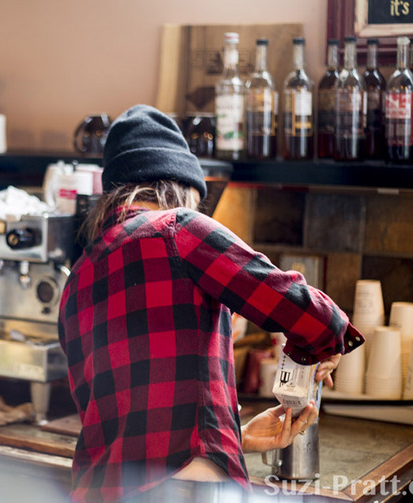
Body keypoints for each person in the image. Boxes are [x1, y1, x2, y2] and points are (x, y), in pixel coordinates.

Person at [57, 104, 364, 503]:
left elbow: (128, 420)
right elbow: (301, 308)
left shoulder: (77, 278)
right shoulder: (177, 229)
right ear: (180, 190)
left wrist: (232, 437)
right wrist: (329, 340)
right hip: (185, 489)